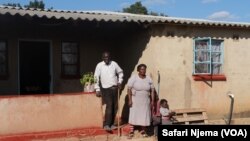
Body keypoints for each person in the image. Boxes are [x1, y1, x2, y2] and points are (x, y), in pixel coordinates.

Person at [94, 51, 124, 131]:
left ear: (110, 57)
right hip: (106, 89)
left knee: (115, 106)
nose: (106, 58)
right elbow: (96, 77)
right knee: (109, 106)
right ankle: (107, 124)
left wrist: (119, 82)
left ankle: (112, 124)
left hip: (115, 88)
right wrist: (97, 88)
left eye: (107, 57)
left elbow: (120, 73)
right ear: (102, 58)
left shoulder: (114, 64)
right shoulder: (99, 65)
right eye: (105, 57)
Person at [127, 64, 155, 138]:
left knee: (144, 115)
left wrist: (152, 100)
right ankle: (131, 131)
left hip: (145, 100)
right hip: (135, 99)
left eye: (144, 69)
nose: (143, 71)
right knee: (134, 114)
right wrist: (130, 100)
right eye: (141, 69)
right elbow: (129, 89)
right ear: (138, 70)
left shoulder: (148, 78)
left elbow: (152, 90)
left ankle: (143, 131)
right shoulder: (134, 78)